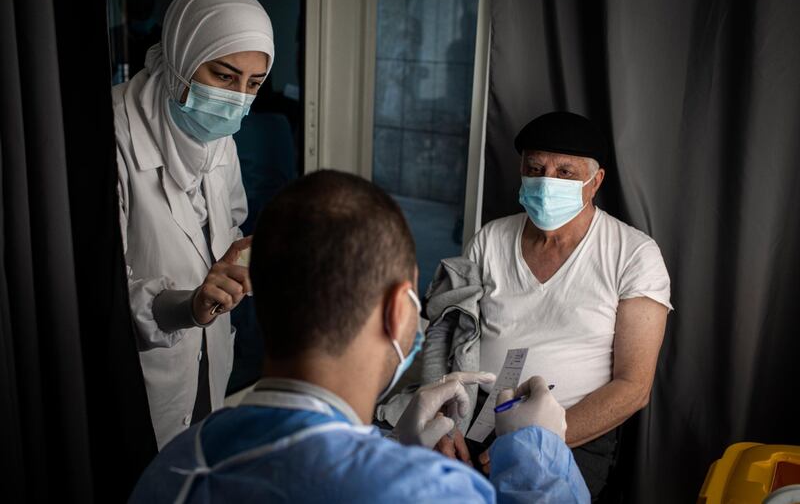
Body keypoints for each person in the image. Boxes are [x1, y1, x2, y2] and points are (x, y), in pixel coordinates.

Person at [129, 170, 589, 503]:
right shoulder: (436, 493)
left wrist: (394, 449)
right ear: (397, 309)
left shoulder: (174, 464)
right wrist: (540, 460)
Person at [427, 112, 672, 500]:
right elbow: (444, 332)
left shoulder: (634, 254)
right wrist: (442, 424)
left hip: (570, 433)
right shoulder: (489, 239)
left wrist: (535, 443)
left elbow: (633, 387)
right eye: (535, 168)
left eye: (565, 173)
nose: (547, 182)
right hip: (471, 420)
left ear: (596, 182)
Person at [113, 0, 274, 448]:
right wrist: (185, 306)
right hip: (142, 372)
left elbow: (229, 227)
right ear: (183, 54)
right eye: (224, 76)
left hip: (210, 357)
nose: (237, 99)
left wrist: (245, 258)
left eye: (253, 84)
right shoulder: (113, 136)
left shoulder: (217, 136)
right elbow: (90, 291)